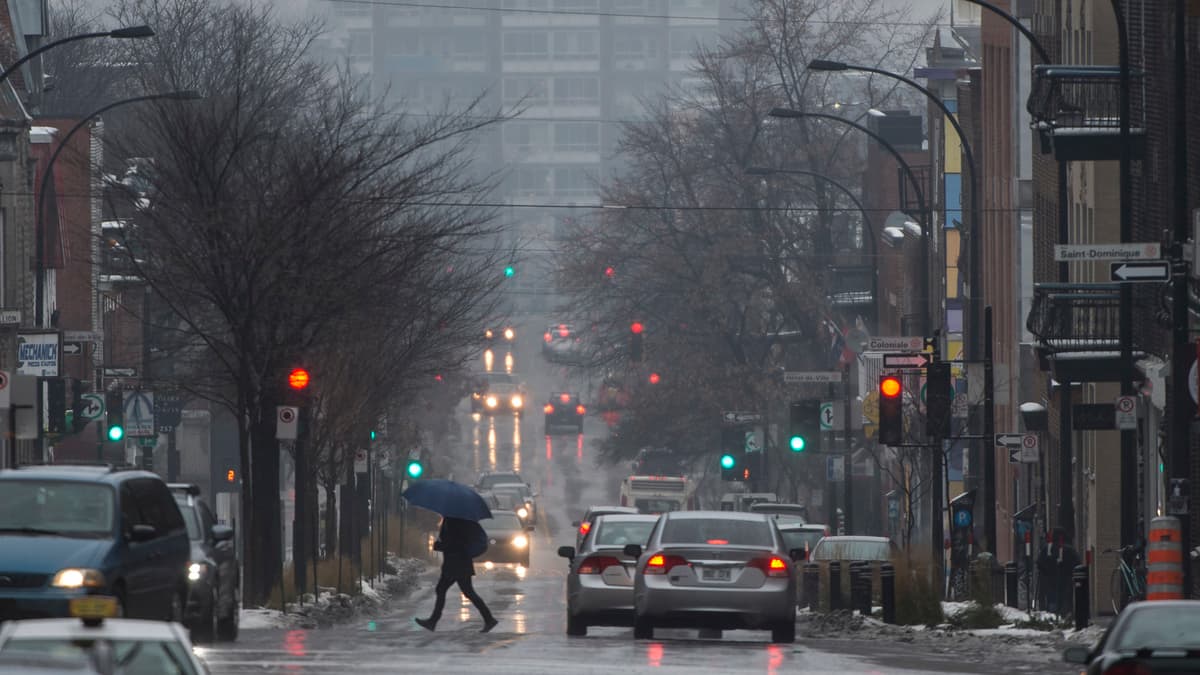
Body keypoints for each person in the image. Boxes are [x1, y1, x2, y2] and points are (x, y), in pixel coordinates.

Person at [415, 516, 497, 633]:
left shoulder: (455, 521)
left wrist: (439, 546)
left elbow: (456, 543)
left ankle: (432, 621)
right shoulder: (453, 520)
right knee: (462, 591)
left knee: (448, 590)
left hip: (457, 563)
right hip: (457, 563)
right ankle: (489, 619)